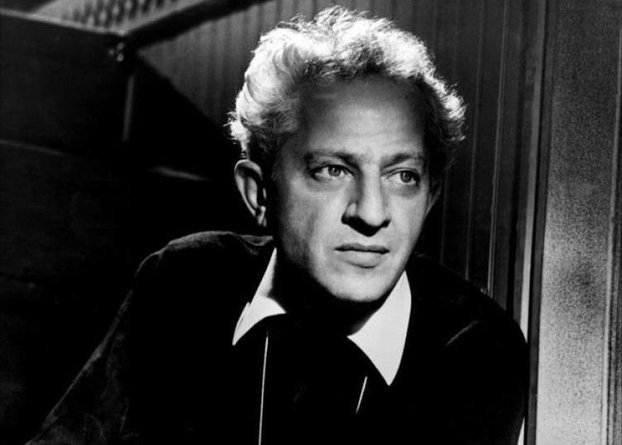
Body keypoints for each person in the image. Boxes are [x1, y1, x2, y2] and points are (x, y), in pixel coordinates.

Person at [27, 6, 527, 445]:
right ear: (259, 193)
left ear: (430, 196)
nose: (373, 214)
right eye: (333, 170)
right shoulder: (183, 281)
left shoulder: (476, 347)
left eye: (403, 176)